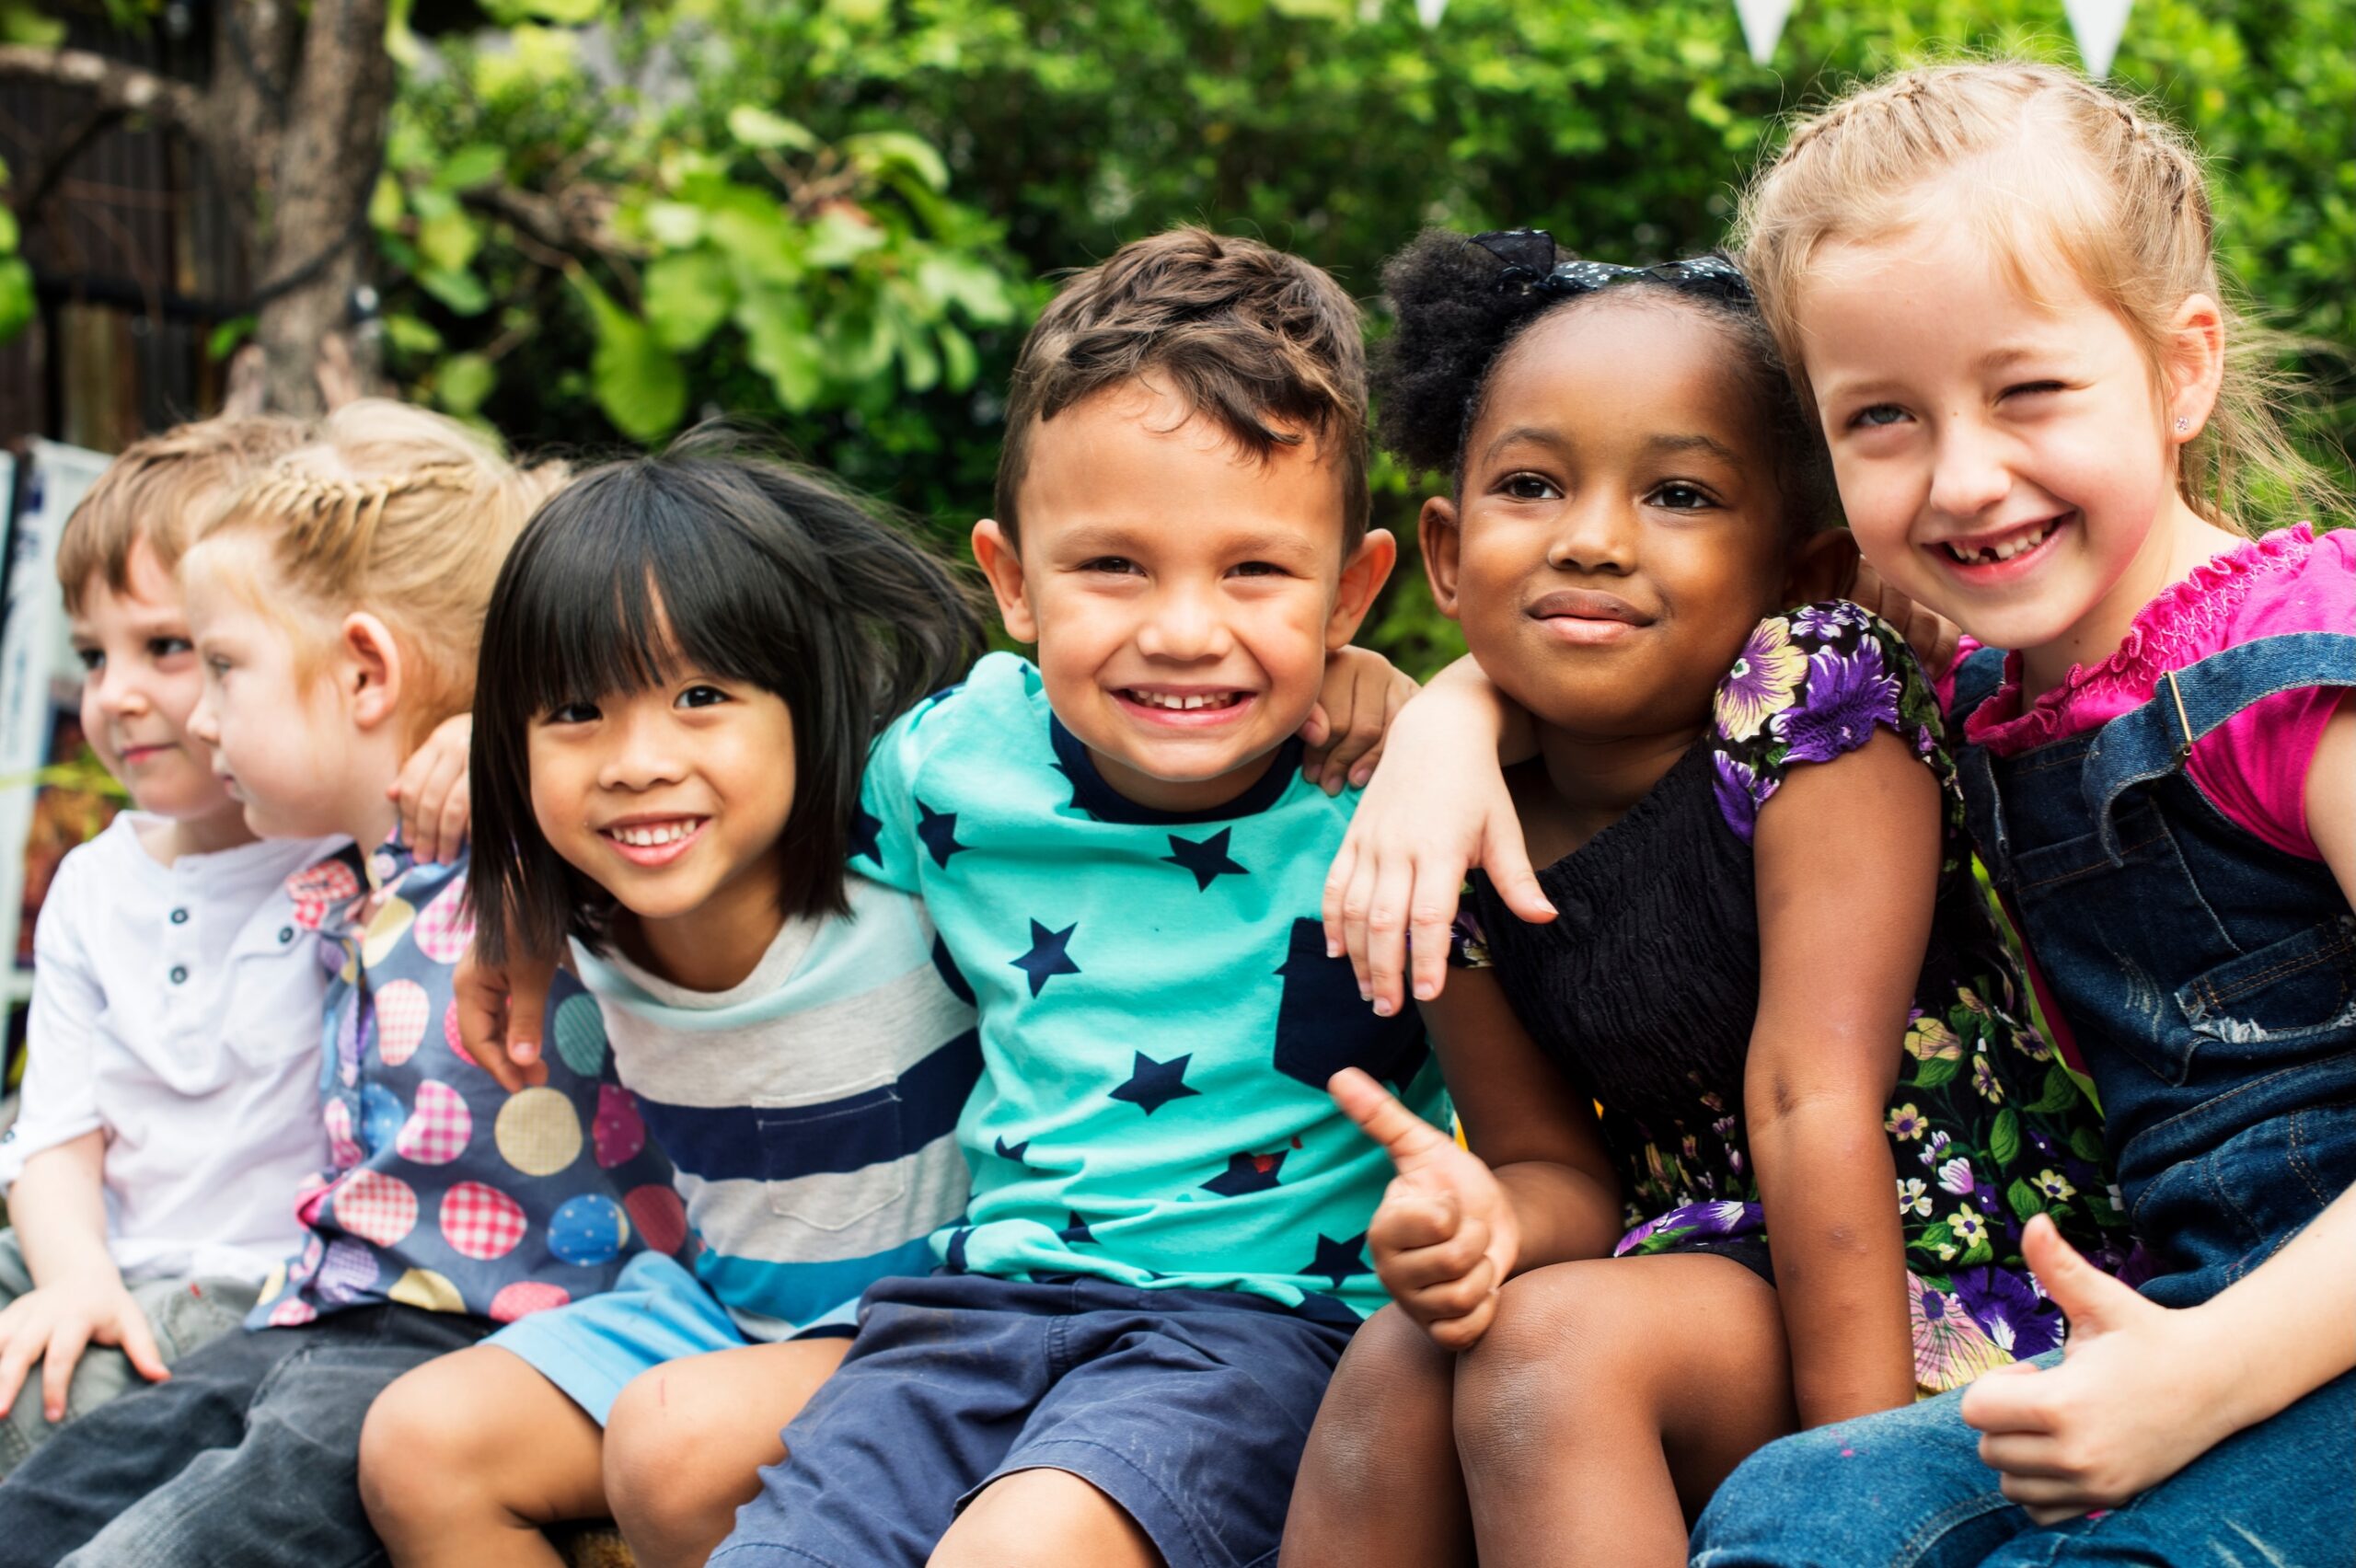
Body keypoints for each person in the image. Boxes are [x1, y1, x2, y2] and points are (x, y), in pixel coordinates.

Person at [1276, 228, 2119, 1568]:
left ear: (1802, 569)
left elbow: (1809, 1095)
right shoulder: (1449, 829)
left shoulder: (1811, 696)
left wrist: (1864, 1499)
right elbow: (1559, 1170)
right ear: (1446, 550)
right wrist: (1489, 1223)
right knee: (1404, 1354)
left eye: (1678, 495)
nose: (1594, 541)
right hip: (1698, 1279)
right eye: (1534, 485)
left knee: (1549, 1357)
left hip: (1934, 1290)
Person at [645, 225, 1449, 1568]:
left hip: (1258, 1336)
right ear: (1013, 579)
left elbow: (1609, 742)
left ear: (1351, 590)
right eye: (1112, 566)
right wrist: (492, 820)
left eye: (1254, 570)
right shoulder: (954, 765)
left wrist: (1444, 715)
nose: (1183, 627)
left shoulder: (1396, 800)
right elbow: (712, 821)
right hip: (975, 1312)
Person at [1688, 61, 2356, 1565]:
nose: (1965, 477)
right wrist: (1446, 722)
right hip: (2182, 1306)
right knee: (1793, 1513)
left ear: (2181, 370)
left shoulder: (2302, 671)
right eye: (1883, 418)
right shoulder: (1977, 681)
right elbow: (1606, 676)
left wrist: (2204, 1375)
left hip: (2285, 1326)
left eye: (2030, 388)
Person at [0, 401, 675, 1568]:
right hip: (319, 1316)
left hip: (483, 1340)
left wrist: (503, 738)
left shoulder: (545, 844)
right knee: (37, 1514)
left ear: (366, 671)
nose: (197, 720)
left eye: (216, 668)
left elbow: (662, 738)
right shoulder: (335, 879)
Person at [355, 434, 987, 1568]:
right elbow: (500, 796)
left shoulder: (910, 870)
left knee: (674, 1441)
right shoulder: (583, 914)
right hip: (726, 1316)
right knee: (418, 1444)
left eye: (702, 695)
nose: (636, 760)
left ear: (806, 702)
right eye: (575, 712)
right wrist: (511, 895)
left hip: (950, 1324)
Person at [0, 418, 471, 1475]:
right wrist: (74, 1280)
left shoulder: (367, 844)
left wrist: (476, 739)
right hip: (96, 1254)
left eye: (172, 648)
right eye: (92, 654)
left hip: (257, 1289)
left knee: (42, 1414)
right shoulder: (93, 882)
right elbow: (55, 1135)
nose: (116, 694)